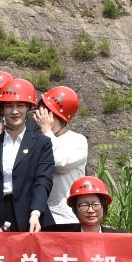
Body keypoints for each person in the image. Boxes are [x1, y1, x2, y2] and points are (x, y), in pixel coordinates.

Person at [0, 78, 53, 233]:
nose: (15, 111)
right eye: (9, 106)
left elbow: (42, 181)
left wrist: (36, 213)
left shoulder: (41, 143)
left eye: (20, 105)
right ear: (2, 109)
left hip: (32, 215)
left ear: (28, 108)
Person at [33, 85, 89, 225]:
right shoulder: (34, 138)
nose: (43, 119)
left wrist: (47, 131)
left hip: (66, 216)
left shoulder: (78, 141)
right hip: (38, 215)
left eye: (48, 115)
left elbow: (59, 163)